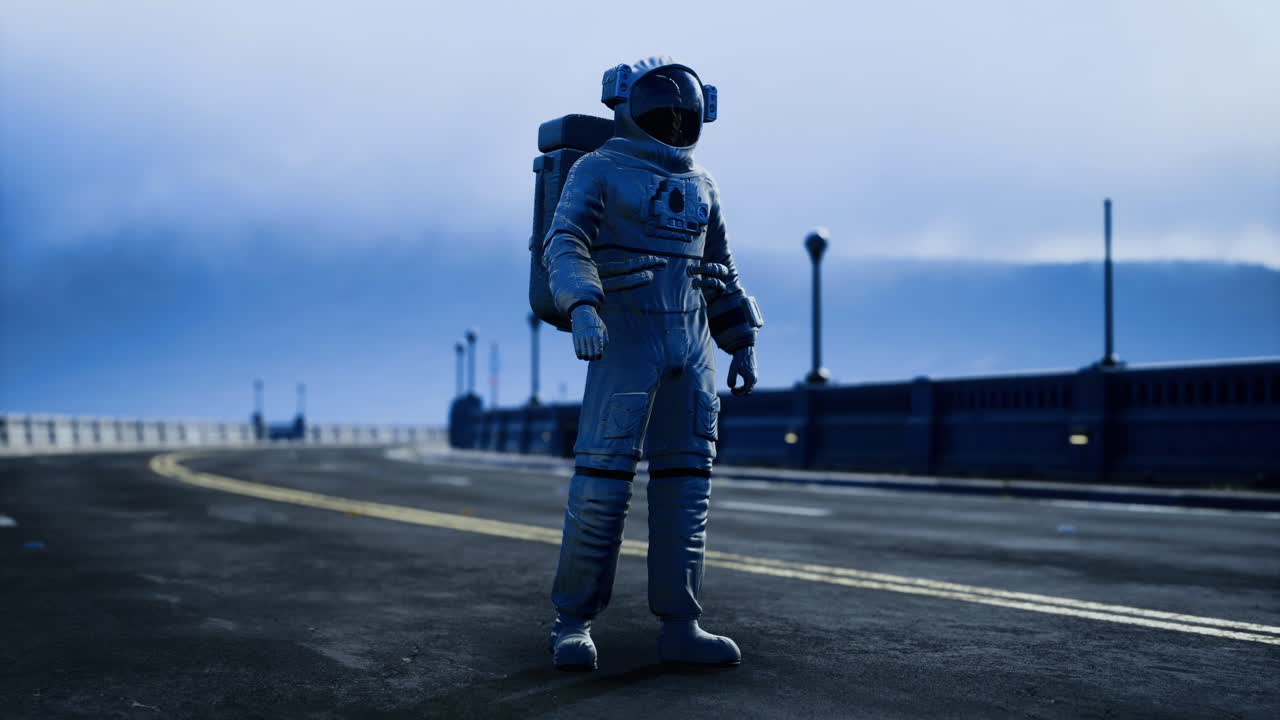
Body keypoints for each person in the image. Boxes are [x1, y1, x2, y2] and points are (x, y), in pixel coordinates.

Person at [541, 56, 764, 671]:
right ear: (627, 107)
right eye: (661, 104)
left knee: (688, 488)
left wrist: (738, 338)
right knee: (603, 484)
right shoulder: (598, 170)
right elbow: (567, 241)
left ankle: (681, 623)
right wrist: (584, 306)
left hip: (691, 347)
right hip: (627, 337)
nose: (674, 114)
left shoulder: (703, 185)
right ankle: (573, 622)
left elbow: (719, 268)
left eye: (683, 104)